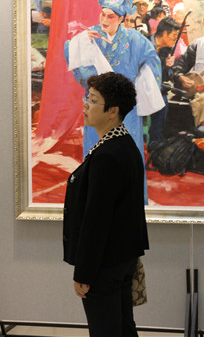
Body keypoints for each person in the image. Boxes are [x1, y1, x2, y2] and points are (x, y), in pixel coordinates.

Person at [63, 72, 149, 337]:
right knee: (122, 328)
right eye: (87, 98)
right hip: (120, 257)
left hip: (104, 263)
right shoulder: (123, 145)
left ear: (113, 111)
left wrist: (84, 272)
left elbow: (96, 220)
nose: (85, 105)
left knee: (107, 331)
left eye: (93, 100)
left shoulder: (108, 155)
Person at [64, 0, 163, 163]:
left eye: (110, 16)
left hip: (125, 109)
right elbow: (81, 72)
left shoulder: (135, 39)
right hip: (98, 108)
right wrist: (83, 43)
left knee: (126, 156)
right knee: (98, 154)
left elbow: (152, 61)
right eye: (102, 14)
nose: (104, 20)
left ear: (121, 18)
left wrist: (140, 90)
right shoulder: (90, 36)